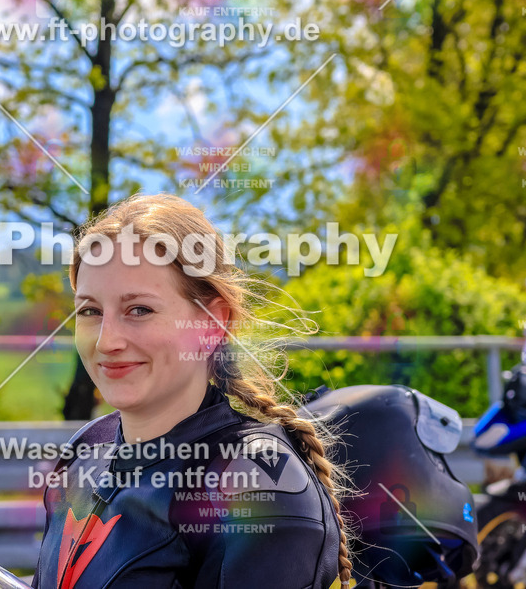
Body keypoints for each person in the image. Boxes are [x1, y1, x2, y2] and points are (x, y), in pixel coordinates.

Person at [31, 193, 351, 589]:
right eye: (90, 311)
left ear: (212, 323)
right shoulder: (84, 452)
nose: (106, 341)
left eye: (139, 310)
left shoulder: (255, 486)